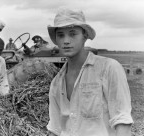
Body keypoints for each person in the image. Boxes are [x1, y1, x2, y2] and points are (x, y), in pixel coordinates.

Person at [46, 8, 133, 136]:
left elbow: (122, 121)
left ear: (85, 36)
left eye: (73, 33)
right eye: (60, 35)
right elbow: (56, 129)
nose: (66, 41)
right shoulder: (56, 83)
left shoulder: (108, 68)